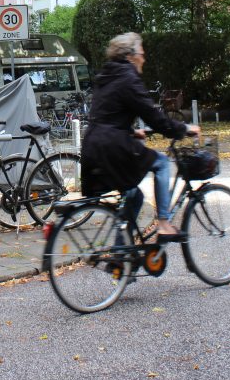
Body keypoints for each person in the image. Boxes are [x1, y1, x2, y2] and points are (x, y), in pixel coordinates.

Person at [81, 32, 199, 239]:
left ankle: (119, 253)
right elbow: (154, 117)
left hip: (93, 144)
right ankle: (164, 223)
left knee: (134, 196)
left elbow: (105, 114)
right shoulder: (128, 78)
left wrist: (131, 131)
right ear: (130, 55)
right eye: (142, 53)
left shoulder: (107, 76)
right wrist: (182, 129)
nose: (144, 58)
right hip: (112, 146)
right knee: (162, 163)